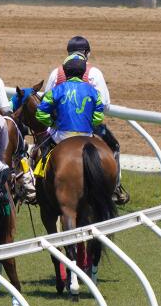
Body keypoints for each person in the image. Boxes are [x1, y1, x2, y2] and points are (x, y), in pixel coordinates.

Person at [43, 36, 128, 204]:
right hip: (88, 128)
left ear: (68, 53)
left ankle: (34, 187)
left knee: (40, 149)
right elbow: (105, 105)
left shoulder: (56, 72)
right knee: (114, 146)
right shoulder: (94, 73)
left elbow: (47, 99)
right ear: (87, 53)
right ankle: (115, 187)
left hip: (59, 128)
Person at [36, 53, 106, 145]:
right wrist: (88, 124)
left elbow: (40, 113)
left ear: (65, 71)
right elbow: (99, 118)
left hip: (62, 135)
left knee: (44, 144)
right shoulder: (95, 93)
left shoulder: (55, 91)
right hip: (87, 135)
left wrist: (53, 124)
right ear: (83, 71)